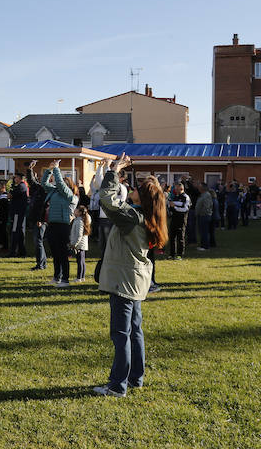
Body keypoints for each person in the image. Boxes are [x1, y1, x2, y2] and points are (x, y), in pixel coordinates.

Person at [93, 153, 168, 398]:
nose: (133, 189)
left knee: (121, 334)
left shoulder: (132, 217)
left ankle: (117, 385)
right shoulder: (146, 215)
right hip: (135, 281)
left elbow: (106, 199)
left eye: (137, 189)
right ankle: (135, 378)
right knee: (135, 331)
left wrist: (114, 170)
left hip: (125, 283)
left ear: (143, 197)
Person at [42, 160, 78, 287]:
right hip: (52, 224)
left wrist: (57, 169)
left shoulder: (70, 195)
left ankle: (65, 280)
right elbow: (44, 183)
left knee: (63, 254)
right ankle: (56, 277)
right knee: (55, 253)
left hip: (63, 226)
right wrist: (49, 170)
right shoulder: (54, 191)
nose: (58, 184)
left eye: (63, 182)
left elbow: (61, 185)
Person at [26, 160, 49, 272]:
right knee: (38, 242)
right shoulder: (39, 188)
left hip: (41, 221)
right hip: (36, 219)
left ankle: (41, 264)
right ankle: (42, 263)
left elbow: (44, 207)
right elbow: (31, 180)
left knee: (38, 242)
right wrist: (30, 169)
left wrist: (40, 219)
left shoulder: (46, 191)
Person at [167, 182, 190, 259]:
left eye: (177, 189)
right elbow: (171, 205)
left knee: (180, 237)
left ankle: (180, 255)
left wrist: (175, 207)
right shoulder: (175, 196)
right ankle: (172, 254)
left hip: (181, 220)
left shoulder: (185, 197)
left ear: (181, 189)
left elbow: (185, 209)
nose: (175, 190)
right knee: (172, 237)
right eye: (175, 189)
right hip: (173, 219)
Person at [69, 205, 91, 282]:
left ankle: (79, 278)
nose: (74, 211)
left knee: (80, 261)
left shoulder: (79, 221)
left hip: (79, 244)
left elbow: (79, 235)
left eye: (76, 210)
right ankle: (82, 277)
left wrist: (74, 244)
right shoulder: (82, 219)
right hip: (82, 244)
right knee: (82, 261)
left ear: (79, 212)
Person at [195, 183, 213, 251]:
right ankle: (203, 245)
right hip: (202, 216)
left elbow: (207, 206)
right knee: (202, 231)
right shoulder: (202, 195)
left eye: (199, 187)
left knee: (204, 231)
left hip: (204, 216)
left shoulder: (206, 195)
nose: (198, 188)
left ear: (203, 188)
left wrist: (201, 213)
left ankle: (205, 246)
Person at [183, 177, 199, 245]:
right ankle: (191, 239)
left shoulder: (195, 191)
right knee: (189, 226)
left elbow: (191, 189)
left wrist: (187, 182)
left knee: (191, 225)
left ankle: (192, 240)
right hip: (190, 209)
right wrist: (185, 182)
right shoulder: (193, 190)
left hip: (192, 210)